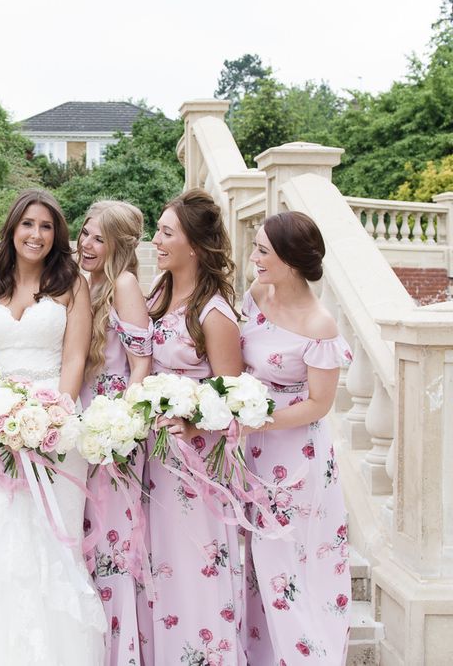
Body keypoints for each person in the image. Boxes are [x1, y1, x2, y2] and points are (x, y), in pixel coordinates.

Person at [0, 189, 106, 665]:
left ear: (57, 235)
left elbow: (74, 355)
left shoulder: (72, 285)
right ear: (13, 228)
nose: (37, 234)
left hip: (56, 428)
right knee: (2, 540)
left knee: (53, 540)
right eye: (28, 224)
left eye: (47, 226)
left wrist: (55, 418)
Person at [241, 211, 352, 664]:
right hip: (247, 449)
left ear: (289, 259)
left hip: (294, 455)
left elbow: (318, 405)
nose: (254, 258)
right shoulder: (255, 294)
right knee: (251, 563)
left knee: (286, 563)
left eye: (263, 250)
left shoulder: (319, 324)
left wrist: (256, 420)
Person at [141, 189, 246, 665]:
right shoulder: (159, 292)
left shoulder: (215, 312)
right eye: (158, 230)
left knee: (193, 564)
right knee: (160, 565)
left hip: (194, 465)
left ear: (195, 247)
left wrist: (188, 414)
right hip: (154, 457)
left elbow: (230, 398)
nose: (156, 241)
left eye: (167, 233)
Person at [78, 199, 152, 666]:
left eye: (98, 238)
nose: (86, 243)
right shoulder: (88, 284)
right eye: (85, 233)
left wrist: (120, 429)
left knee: (112, 544)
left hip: (113, 432)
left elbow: (141, 363)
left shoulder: (124, 285)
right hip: (82, 424)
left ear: (119, 246)